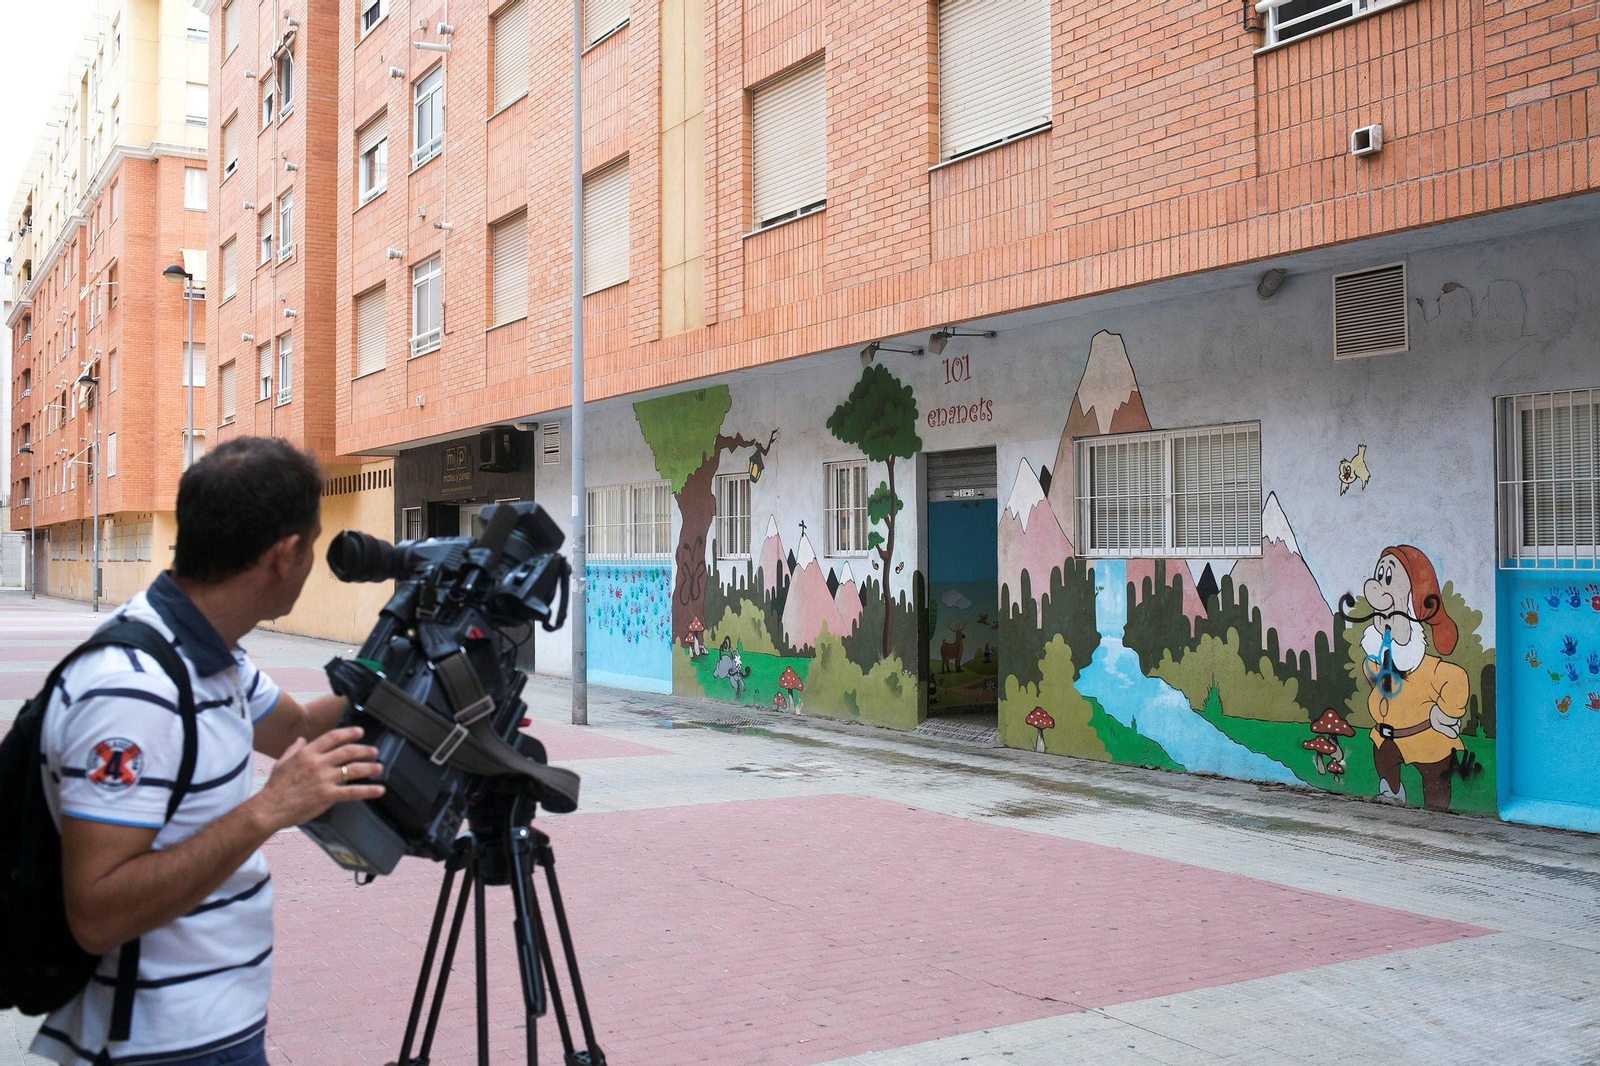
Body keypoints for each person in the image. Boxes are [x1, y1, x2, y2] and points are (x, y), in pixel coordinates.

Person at [31, 437, 385, 1066]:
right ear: (284, 555)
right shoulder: (132, 688)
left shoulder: (212, 653)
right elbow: (97, 913)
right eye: (313, 545)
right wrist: (266, 810)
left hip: (218, 1026)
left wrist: (414, 672)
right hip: (158, 1045)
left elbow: (299, 727)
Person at [1357, 544, 1469, 810]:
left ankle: (1438, 817)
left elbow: (1456, 677)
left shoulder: (1428, 668)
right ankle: (1392, 792)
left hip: (1429, 740)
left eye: (1389, 578)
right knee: (1385, 765)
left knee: (1436, 785)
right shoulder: (1381, 662)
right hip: (1387, 739)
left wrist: (1446, 714)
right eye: (1379, 575)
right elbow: (1373, 673)